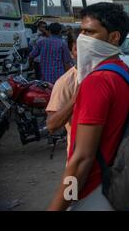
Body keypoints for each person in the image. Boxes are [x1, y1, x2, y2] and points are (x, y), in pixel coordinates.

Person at [48, 2, 129, 211]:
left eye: (89, 32)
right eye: (81, 32)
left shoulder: (97, 81)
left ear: (114, 37)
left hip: (93, 190)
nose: (82, 39)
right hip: (116, 183)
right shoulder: (122, 71)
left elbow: (82, 159)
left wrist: (62, 203)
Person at [46, 28, 80, 162]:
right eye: (78, 48)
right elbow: (51, 125)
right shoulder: (65, 83)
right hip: (78, 162)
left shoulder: (109, 76)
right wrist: (75, 99)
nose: (84, 52)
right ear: (72, 53)